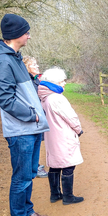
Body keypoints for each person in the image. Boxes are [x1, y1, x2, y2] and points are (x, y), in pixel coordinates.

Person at [0, 14, 50, 216]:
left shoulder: (14, 57)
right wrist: (32, 115)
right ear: (16, 35)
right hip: (21, 129)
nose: (29, 36)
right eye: (26, 32)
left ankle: (27, 209)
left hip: (30, 127)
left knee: (30, 173)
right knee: (21, 176)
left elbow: (23, 90)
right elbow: (6, 100)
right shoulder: (3, 61)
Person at [38, 67, 85, 204]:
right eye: (62, 81)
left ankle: (55, 194)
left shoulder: (45, 98)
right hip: (63, 135)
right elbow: (71, 117)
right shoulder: (57, 98)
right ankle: (68, 197)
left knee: (55, 164)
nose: (64, 83)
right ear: (55, 82)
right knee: (68, 164)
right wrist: (78, 130)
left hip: (51, 135)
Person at [22, 55, 47, 178]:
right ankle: (33, 168)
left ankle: (35, 166)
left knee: (37, 143)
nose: (37, 66)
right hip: (32, 119)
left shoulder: (36, 79)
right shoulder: (26, 82)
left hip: (38, 118)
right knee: (31, 145)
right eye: (33, 64)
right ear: (26, 67)